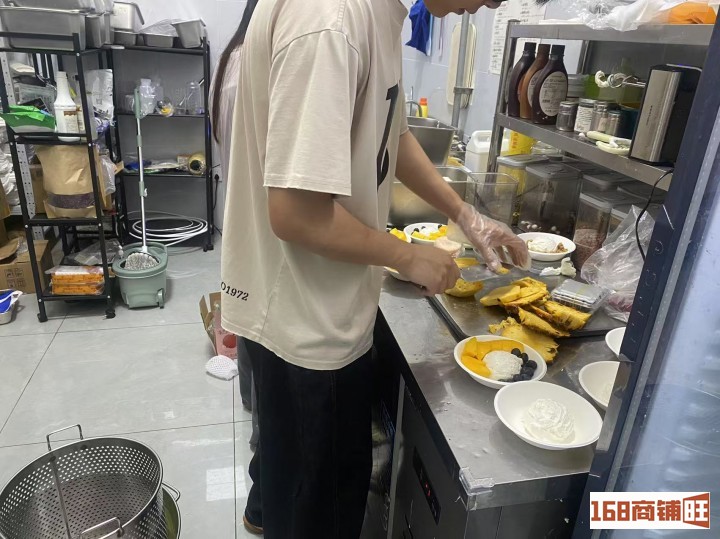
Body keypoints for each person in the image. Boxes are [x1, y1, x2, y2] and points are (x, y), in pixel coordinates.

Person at [220, 0, 528, 537]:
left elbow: (393, 132)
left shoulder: (376, 15)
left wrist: (464, 213)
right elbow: (295, 214)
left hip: (318, 303)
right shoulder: (331, 22)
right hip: (306, 320)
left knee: (300, 488)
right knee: (318, 515)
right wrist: (407, 255)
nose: (495, 4)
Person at [210, 0, 260, 449]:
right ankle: (261, 421)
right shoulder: (258, 65)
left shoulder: (231, 59)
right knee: (258, 324)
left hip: (239, 212)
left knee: (244, 309)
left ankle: (251, 401)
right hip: (258, 219)